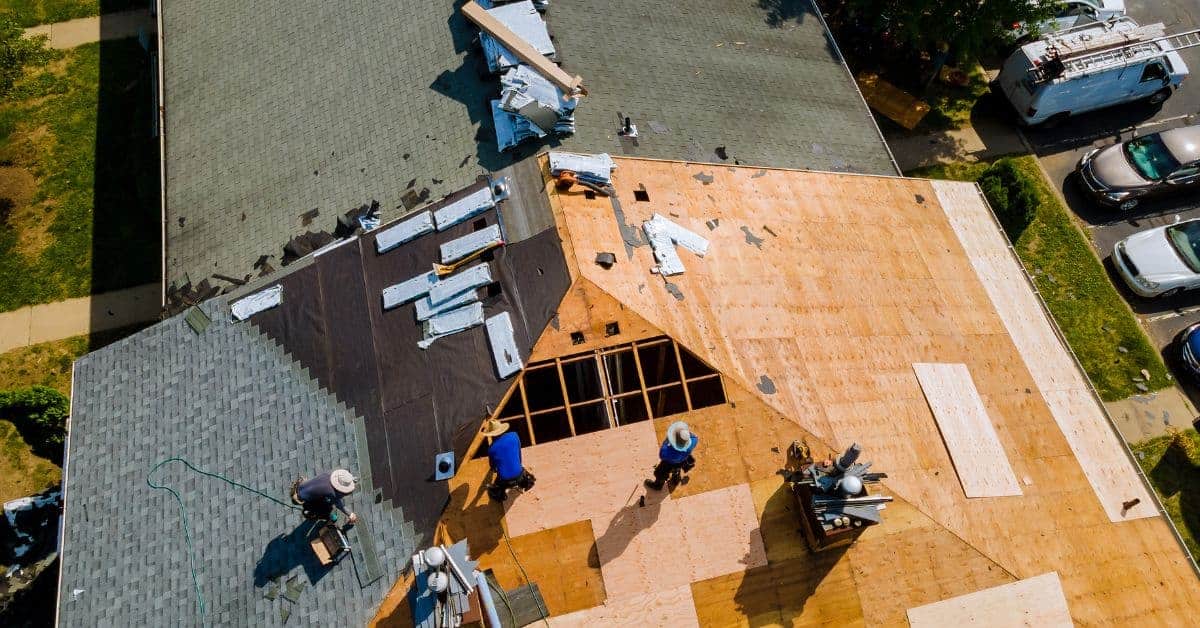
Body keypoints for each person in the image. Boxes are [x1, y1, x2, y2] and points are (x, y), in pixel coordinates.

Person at [482, 419, 535, 502]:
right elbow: (519, 453)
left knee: (495, 489)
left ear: (491, 434)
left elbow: (493, 467)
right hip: (520, 475)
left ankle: (501, 496)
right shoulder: (514, 435)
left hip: (505, 481)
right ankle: (523, 484)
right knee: (528, 476)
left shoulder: (491, 448)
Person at [292, 468, 359, 524]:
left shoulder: (328, 474)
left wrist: (351, 480)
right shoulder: (331, 492)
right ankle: (328, 516)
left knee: (327, 500)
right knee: (326, 507)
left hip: (301, 488)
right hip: (307, 500)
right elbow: (339, 504)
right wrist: (350, 514)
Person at [645, 421, 698, 490]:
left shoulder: (667, 452)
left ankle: (657, 486)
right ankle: (675, 480)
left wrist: (667, 441)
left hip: (669, 462)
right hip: (683, 460)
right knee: (677, 469)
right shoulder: (694, 440)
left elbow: (662, 455)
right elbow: (692, 435)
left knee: (660, 473)